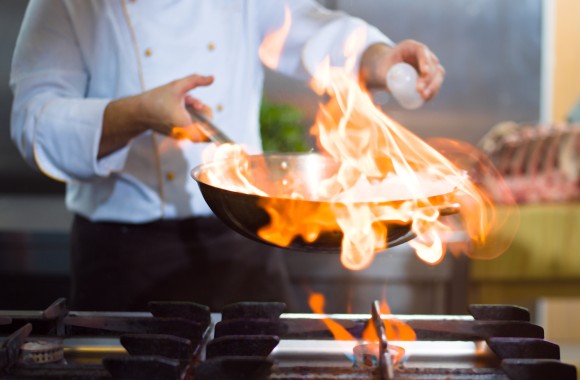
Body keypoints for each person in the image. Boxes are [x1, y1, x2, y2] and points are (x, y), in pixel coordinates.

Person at [10, 0, 445, 312]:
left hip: (243, 236)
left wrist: (381, 58)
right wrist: (136, 113)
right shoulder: (65, 6)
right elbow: (35, 122)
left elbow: (314, 31)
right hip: (122, 255)